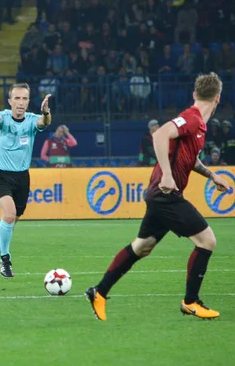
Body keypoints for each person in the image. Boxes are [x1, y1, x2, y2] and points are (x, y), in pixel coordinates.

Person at [85, 73, 231, 321]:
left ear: (195, 93)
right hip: (166, 194)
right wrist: (166, 174)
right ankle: (191, 302)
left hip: (159, 194)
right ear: (218, 98)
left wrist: (211, 175)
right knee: (207, 241)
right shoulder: (192, 118)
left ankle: (99, 292)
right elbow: (160, 134)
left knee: (142, 246)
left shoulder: (197, 126)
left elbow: (189, 157)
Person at [0, 84, 52, 281]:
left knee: (8, 222)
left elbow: (44, 123)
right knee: (9, 214)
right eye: (17, 98)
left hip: (21, 178)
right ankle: (5, 259)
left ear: (28, 101)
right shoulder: (3, 117)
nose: (20, 103)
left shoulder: (32, 120)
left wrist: (46, 112)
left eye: (24, 99)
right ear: (9, 101)